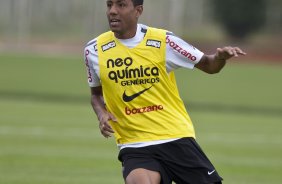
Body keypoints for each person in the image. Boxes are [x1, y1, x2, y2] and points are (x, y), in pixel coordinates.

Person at [84, 0, 246, 183]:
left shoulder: (163, 41)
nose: (112, 11)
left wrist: (220, 57)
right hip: (134, 144)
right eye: (109, 5)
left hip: (175, 136)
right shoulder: (94, 50)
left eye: (121, 5)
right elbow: (96, 95)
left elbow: (209, 65)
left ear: (138, 11)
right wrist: (101, 114)